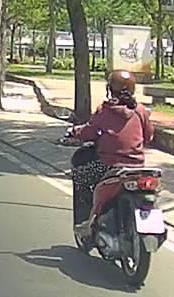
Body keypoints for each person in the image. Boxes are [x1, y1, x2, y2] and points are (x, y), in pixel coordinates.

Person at [68, 69, 154, 242]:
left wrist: (74, 131)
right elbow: (149, 136)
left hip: (109, 165)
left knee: (80, 176)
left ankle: (85, 222)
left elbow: (89, 132)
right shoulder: (141, 111)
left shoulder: (105, 110)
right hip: (137, 167)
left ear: (110, 89)